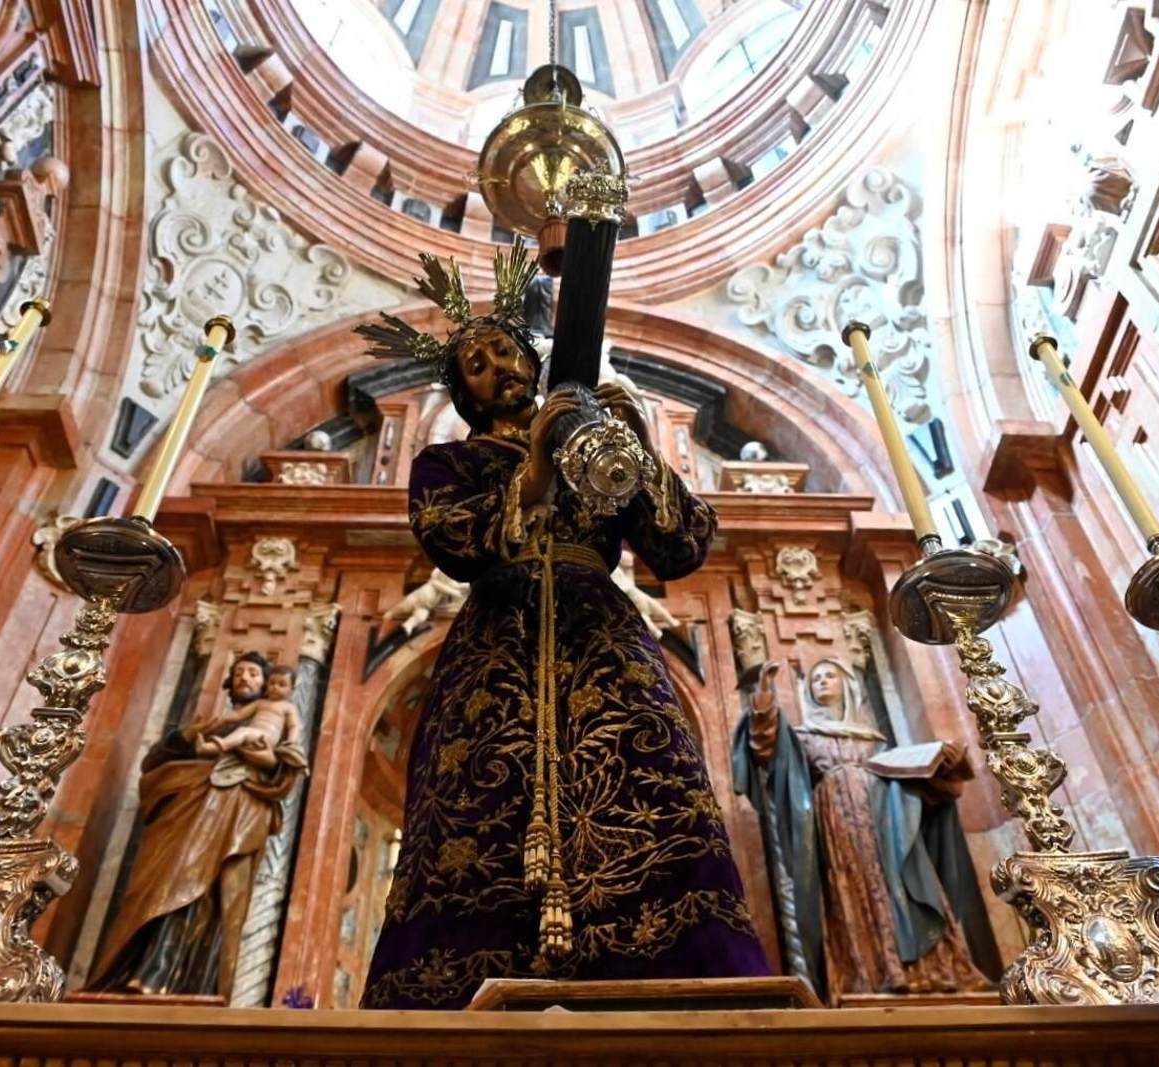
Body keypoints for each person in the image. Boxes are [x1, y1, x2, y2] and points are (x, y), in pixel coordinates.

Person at [354, 243, 769, 1008]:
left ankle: (682, 974)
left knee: (652, 782)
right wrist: (535, 470)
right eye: (476, 363)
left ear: (533, 358)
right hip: (493, 647)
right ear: (465, 391)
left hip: (603, 638)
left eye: (505, 350)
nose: (497, 367)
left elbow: (681, 545)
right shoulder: (445, 463)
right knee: (475, 805)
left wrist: (637, 451)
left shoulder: (591, 444)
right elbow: (451, 538)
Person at [736, 658, 990, 999]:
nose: (823, 682)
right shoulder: (803, 736)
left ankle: (932, 970)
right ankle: (870, 974)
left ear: (848, 685)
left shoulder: (874, 740)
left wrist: (943, 766)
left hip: (885, 819)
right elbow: (764, 749)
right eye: (816, 679)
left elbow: (908, 783)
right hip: (836, 822)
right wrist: (764, 696)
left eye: (830, 676)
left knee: (900, 885)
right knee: (853, 885)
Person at [89, 652, 306, 998]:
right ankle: (135, 971)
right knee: (164, 883)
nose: (244, 678)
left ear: (267, 683)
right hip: (185, 815)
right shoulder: (211, 725)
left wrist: (264, 761)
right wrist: (189, 737)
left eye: (253, 673)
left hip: (239, 814)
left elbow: (285, 771)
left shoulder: (272, 728)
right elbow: (155, 762)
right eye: (238, 672)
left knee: (214, 899)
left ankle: (192, 983)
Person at [196, 664, 306, 766]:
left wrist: (291, 742)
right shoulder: (260, 703)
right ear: (266, 685)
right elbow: (239, 714)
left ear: (291, 690)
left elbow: (293, 726)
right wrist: (224, 718)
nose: (275, 687)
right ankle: (208, 748)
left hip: (267, 738)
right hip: (253, 735)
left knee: (243, 731)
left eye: (282, 685)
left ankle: (223, 744)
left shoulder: (288, 707)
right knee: (238, 741)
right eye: (272, 683)